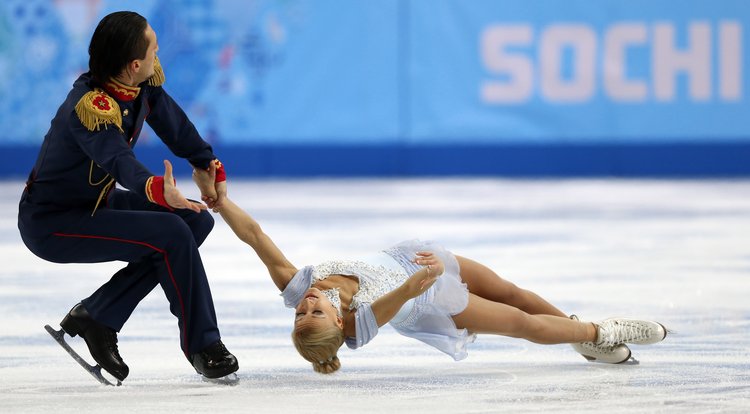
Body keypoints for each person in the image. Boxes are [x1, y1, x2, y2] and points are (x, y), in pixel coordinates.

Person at [193, 164, 667, 374]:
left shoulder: (298, 286)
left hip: (414, 258)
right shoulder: (358, 325)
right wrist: (426, 278)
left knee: (514, 291)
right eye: (313, 316)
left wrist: (222, 201)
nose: (307, 307)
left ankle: (580, 339)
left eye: (301, 315)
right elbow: (396, 298)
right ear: (337, 323)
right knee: (519, 323)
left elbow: (256, 237)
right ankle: (600, 332)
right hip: (426, 296)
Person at [17, 11, 238, 381]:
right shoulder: (89, 108)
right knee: (171, 235)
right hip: (52, 221)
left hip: (94, 204)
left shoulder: (139, 84)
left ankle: (98, 317)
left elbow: (174, 123)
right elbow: (117, 159)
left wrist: (206, 165)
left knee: (194, 220)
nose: (158, 54)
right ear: (134, 64)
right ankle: (203, 345)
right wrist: (155, 189)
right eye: (153, 48)